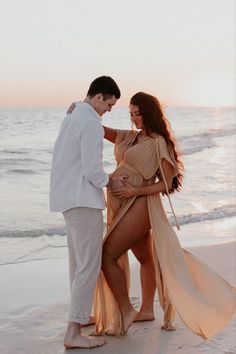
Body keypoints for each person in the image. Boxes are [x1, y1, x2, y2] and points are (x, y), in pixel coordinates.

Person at [92, 92, 236, 339]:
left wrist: (135, 189)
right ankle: (147, 310)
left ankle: (127, 310)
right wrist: (83, 112)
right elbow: (102, 130)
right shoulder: (132, 138)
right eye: (131, 114)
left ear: (149, 113)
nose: (135, 118)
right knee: (146, 257)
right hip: (123, 206)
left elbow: (167, 184)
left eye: (138, 113)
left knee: (106, 254)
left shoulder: (159, 142)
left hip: (142, 204)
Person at [49, 76, 124, 349]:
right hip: (83, 200)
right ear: (98, 97)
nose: (109, 110)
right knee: (88, 265)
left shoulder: (73, 115)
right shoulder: (90, 122)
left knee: (78, 263)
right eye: (109, 104)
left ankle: (78, 319)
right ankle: (73, 331)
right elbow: (93, 170)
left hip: (68, 199)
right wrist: (111, 182)